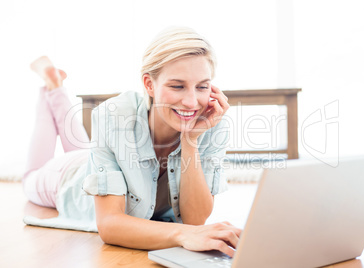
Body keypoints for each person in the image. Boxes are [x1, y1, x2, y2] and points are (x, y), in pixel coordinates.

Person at [23, 26, 241, 257]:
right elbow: (109, 224)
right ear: (149, 84)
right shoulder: (114, 115)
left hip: (93, 161)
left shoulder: (211, 121)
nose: (191, 101)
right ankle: (52, 85)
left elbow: (195, 220)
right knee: (30, 175)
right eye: (177, 86)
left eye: (202, 86)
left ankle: (55, 84)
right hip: (66, 177)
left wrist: (190, 141)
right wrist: (180, 234)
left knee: (84, 149)